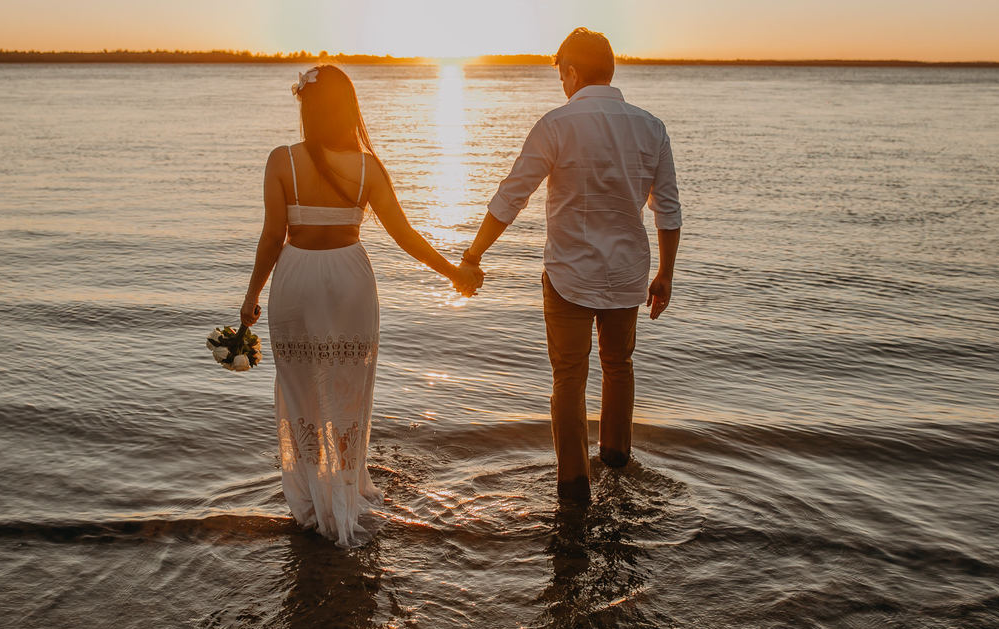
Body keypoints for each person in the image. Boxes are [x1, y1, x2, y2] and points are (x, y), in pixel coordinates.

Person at [238, 64, 483, 547]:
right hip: (350, 280)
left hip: (296, 279)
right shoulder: (369, 167)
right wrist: (454, 272)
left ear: (306, 107)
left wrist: (250, 297)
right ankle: (344, 492)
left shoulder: (281, 161)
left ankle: (311, 503)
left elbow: (272, 237)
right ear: (348, 109)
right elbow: (405, 235)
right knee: (349, 390)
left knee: (301, 391)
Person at [460, 27, 683, 503]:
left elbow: (510, 197)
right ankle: (617, 461)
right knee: (619, 365)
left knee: (568, 377)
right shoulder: (651, 127)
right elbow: (668, 208)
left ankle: (574, 484)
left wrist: (475, 253)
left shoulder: (556, 125)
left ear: (573, 71)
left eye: (561, 73)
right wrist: (665, 272)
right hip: (627, 274)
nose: (561, 83)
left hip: (567, 276)